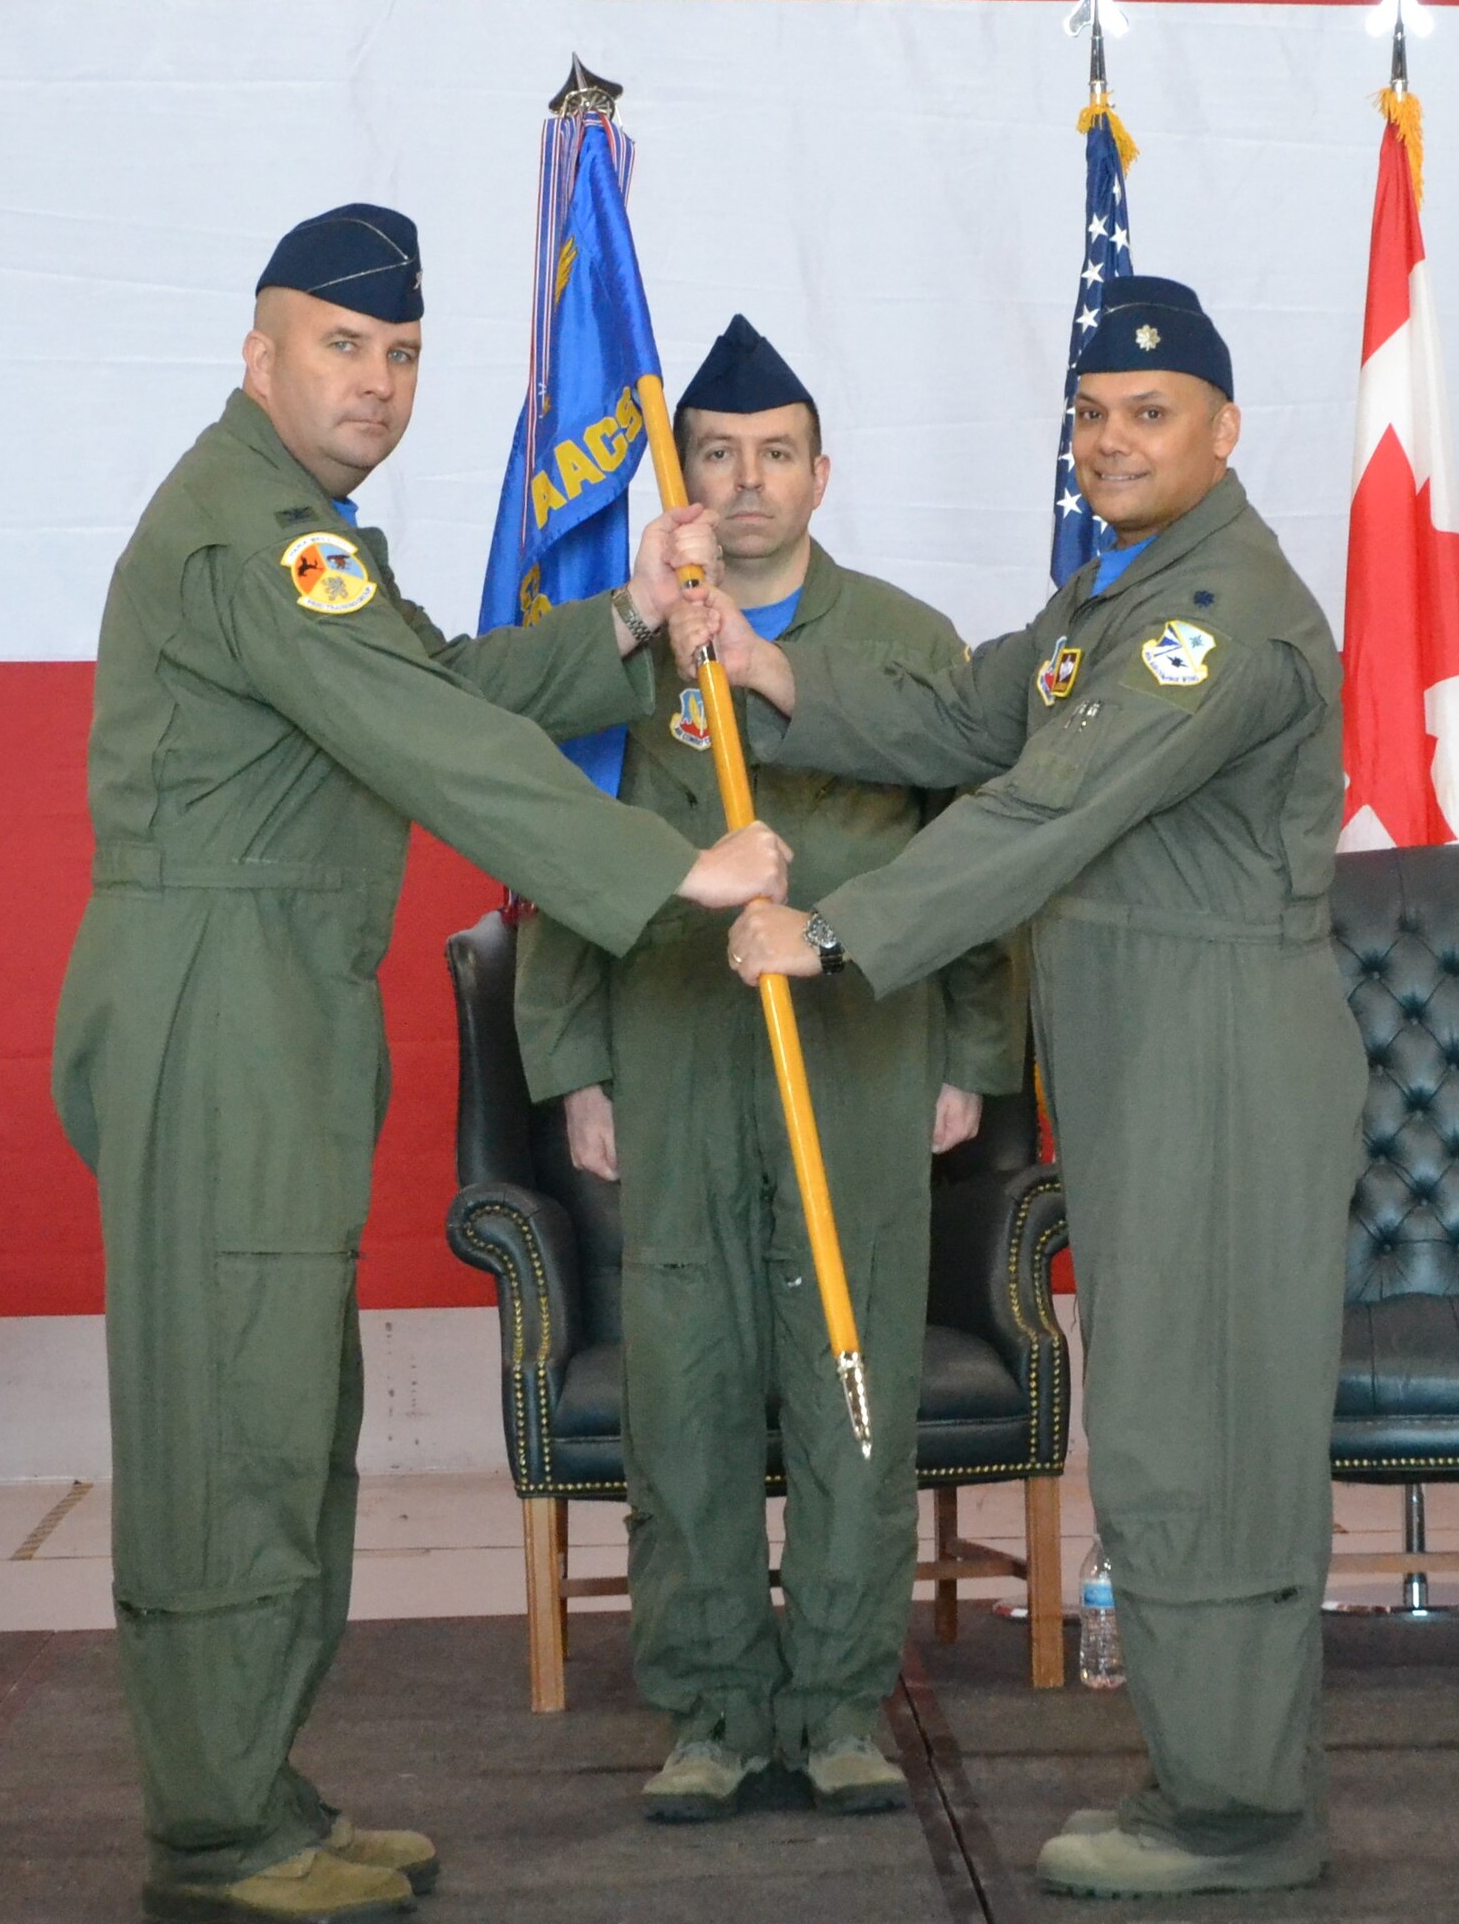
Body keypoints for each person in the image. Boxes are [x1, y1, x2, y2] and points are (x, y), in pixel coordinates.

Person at [52, 206, 790, 1924]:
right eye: (340, 345)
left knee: (286, 1418)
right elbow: (429, 736)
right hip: (214, 1006)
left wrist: (619, 616)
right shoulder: (260, 534)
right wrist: (668, 871)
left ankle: (257, 1790)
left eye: (399, 357)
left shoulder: (314, 535)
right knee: (231, 1428)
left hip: (269, 1005)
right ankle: (217, 1838)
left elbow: (441, 677)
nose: (376, 381)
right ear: (260, 353)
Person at [693, 278, 1368, 1899]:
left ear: (1224, 429)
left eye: (1152, 412)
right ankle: (1217, 1783)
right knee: (1165, 1426)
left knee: (1204, 1436)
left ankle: (1236, 1817)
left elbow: (1045, 808)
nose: (1113, 438)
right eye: (1092, 413)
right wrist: (755, 659)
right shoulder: (1111, 601)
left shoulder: (1219, 616)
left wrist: (835, 932)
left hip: (1222, 1063)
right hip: (1147, 1062)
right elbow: (965, 715)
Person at [514, 315, 1023, 1822]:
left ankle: (844, 1699)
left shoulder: (906, 644)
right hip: (673, 1044)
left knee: (850, 1372)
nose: (746, 485)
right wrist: (576, 1066)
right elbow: (561, 849)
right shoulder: (630, 637)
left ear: (821, 473)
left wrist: (973, 1056)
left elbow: (980, 860)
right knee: (690, 1380)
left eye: (776, 456)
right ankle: (712, 1708)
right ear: (686, 477)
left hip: (864, 1049)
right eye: (717, 457)